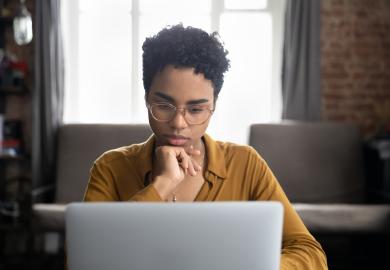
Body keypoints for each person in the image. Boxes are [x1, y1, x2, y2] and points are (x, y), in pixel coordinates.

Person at [83, 24, 328, 270]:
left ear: (214, 105)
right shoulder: (110, 168)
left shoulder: (245, 164)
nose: (179, 123)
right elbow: (85, 262)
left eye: (196, 109)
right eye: (164, 105)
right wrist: (160, 186)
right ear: (147, 97)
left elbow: (310, 253)